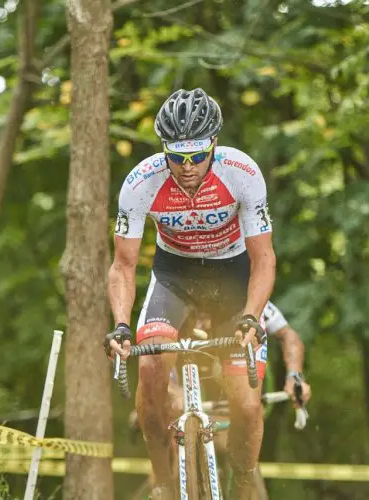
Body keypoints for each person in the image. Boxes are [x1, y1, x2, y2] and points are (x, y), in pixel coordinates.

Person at [104, 88, 276, 500]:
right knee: (150, 366)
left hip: (232, 279)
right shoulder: (141, 183)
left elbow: (264, 258)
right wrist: (122, 325)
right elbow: (123, 265)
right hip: (174, 277)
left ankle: (243, 479)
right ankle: (163, 482)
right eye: (176, 156)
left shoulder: (242, 172)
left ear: (213, 145)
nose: (186, 167)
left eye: (197, 156)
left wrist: (252, 316)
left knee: (248, 406)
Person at [127, 301, 313, 499]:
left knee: (244, 451)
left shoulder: (248, 296)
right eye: (201, 317)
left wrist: (295, 375)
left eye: (210, 316)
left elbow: (288, 336)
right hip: (186, 386)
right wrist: (166, 394)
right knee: (173, 450)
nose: (205, 323)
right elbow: (156, 357)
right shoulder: (176, 296)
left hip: (231, 395)